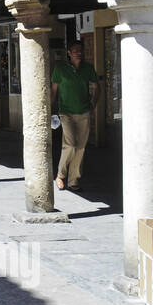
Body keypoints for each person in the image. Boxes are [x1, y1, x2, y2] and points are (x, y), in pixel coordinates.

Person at [51, 41, 100, 192]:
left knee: (80, 148)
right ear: (69, 53)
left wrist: (93, 104)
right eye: (76, 50)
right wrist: (50, 109)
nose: (79, 53)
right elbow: (53, 91)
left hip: (84, 112)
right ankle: (60, 175)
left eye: (81, 50)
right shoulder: (60, 69)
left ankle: (73, 180)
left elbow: (97, 87)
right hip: (66, 112)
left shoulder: (88, 68)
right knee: (70, 144)